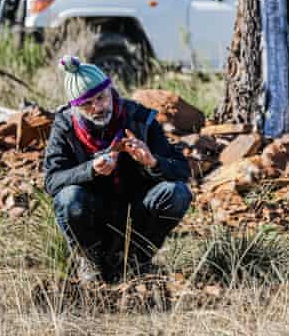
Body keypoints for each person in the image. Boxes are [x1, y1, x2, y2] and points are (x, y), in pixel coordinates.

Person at [44, 55, 192, 283]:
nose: (97, 107)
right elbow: (52, 181)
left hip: (137, 212)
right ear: (76, 107)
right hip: (91, 215)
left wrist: (152, 162)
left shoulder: (140, 118)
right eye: (87, 104)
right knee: (68, 197)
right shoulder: (65, 126)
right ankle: (89, 261)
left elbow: (182, 170)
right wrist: (90, 169)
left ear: (110, 89)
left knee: (177, 193)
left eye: (101, 98)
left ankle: (137, 260)